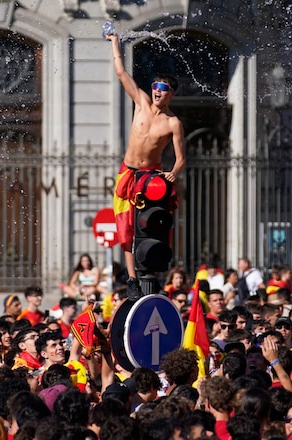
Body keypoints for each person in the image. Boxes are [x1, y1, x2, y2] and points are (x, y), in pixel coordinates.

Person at [106, 30, 185, 300]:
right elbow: (121, 73)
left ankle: (154, 274)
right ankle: (131, 278)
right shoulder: (140, 102)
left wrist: (173, 173)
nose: (157, 92)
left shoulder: (173, 122)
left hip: (151, 177)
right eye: (155, 87)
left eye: (162, 89)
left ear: (171, 94)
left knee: (153, 225)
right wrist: (115, 44)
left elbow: (180, 157)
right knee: (126, 225)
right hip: (128, 172)